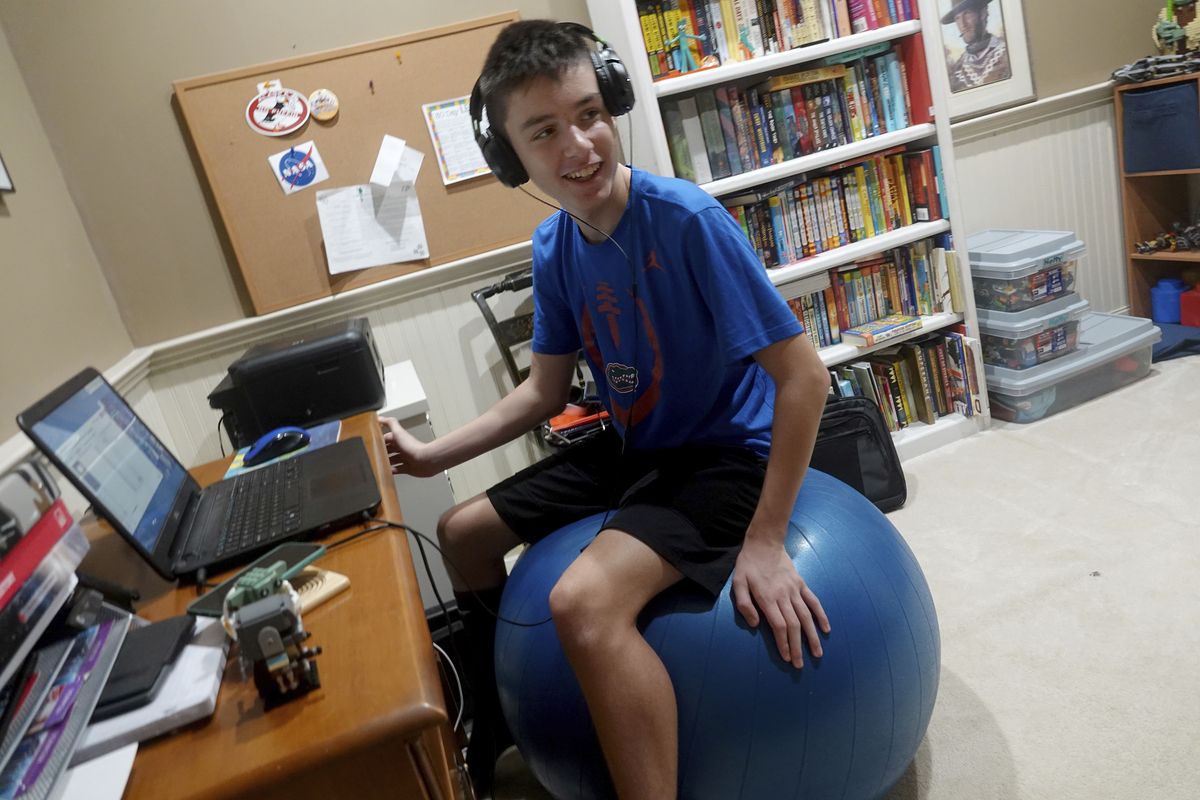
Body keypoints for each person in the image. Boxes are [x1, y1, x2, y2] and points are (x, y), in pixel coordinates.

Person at [379, 20, 831, 800]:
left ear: (612, 105)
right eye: (544, 131)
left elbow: (805, 378)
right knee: (461, 533)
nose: (578, 145)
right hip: (637, 446)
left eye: (590, 114)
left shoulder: (686, 220)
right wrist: (430, 455)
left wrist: (764, 539)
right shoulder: (555, 246)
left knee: (580, 603)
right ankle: (503, 719)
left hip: (724, 455)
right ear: (510, 156)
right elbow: (544, 394)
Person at [941, 0, 1012, 92]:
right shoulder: (957, 70)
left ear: (982, 13)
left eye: (967, 13)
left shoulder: (1007, 52)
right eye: (957, 18)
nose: (963, 24)